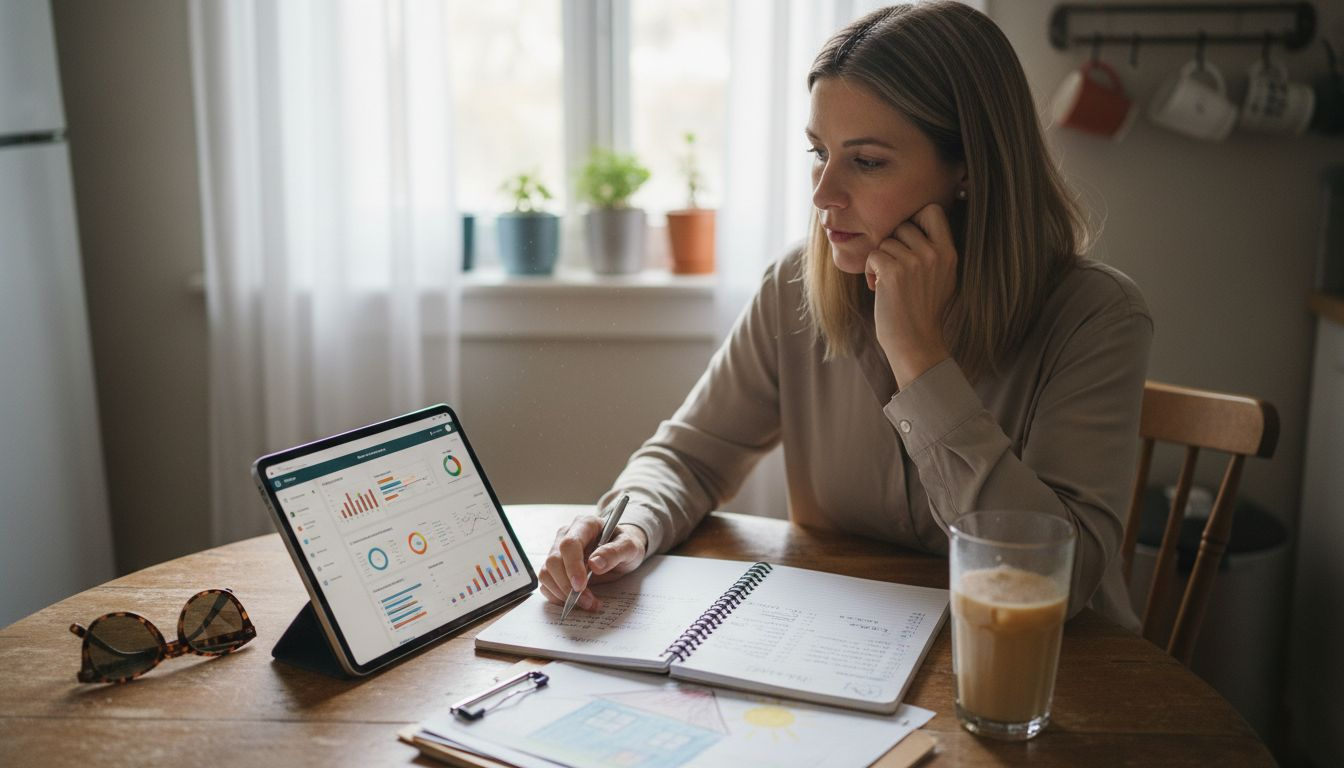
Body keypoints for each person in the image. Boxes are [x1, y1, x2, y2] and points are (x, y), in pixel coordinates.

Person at [539, 1, 1151, 631]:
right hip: (852, 654)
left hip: (1053, 681)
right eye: (818, 153)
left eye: (866, 161)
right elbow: (689, 458)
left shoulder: (1097, 318)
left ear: (967, 168)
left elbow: (1053, 578)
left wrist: (919, 360)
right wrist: (631, 525)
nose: (823, 194)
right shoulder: (794, 287)